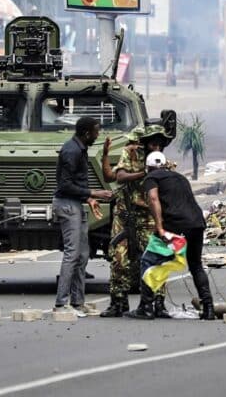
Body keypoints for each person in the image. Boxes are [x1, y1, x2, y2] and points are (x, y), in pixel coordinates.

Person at [127, 152, 216, 320]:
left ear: (148, 167)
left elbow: (153, 199)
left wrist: (160, 228)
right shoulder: (179, 177)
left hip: (175, 225)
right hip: (197, 223)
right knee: (196, 265)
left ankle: (146, 307)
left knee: (148, 261)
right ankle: (209, 308)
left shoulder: (151, 178)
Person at [53, 117, 111, 317]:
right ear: (86, 133)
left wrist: (88, 198)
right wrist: (94, 193)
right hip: (67, 205)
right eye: (96, 131)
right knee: (72, 254)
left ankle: (78, 302)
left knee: (83, 254)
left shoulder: (80, 149)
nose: (98, 135)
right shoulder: (72, 151)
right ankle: (61, 304)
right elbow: (65, 185)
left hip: (76, 203)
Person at [99, 127, 153, 317]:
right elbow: (113, 176)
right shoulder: (127, 157)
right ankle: (118, 302)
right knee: (119, 259)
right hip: (124, 215)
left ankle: (152, 304)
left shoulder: (158, 160)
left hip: (147, 218)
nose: (130, 146)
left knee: (152, 259)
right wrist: (105, 154)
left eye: (133, 142)